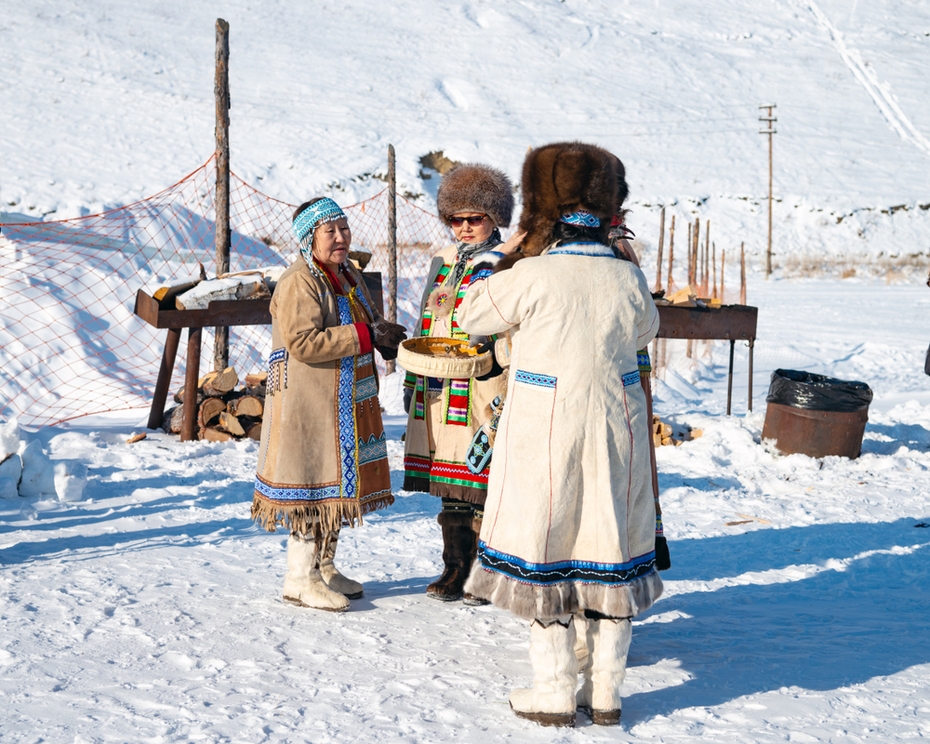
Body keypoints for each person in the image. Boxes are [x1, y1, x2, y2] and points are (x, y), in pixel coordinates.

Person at [456, 142, 662, 727]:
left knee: (545, 547)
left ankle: (553, 690)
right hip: (613, 431)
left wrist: (517, 252)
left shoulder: (534, 275)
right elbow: (646, 329)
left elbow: (471, 314)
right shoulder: (627, 278)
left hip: (545, 432)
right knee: (608, 544)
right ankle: (605, 694)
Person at [252, 197, 407, 612]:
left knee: (337, 483)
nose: (340, 238)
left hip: (343, 397)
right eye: (330, 231)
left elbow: (362, 322)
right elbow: (303, 342)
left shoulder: (344, 274)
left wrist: (380, 332)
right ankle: (299, 578)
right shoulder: (299, 281)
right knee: (311, 481)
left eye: (344, 228)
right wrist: (362, 337)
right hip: (309, 399)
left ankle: (324, 566)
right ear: (309, 238)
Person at [402, 163, 514, 603]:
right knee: (450, 485)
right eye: (456, 219)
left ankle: (486, 573)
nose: (465, 228)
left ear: (494, 218)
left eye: (476, 218)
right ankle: (455, 567)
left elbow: (512, 328)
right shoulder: (442, 263)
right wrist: (413, 375)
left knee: (480, 478)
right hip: (439, 387)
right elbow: (426, 321)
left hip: (483, 384)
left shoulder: (507, 265)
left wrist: (496, 364)